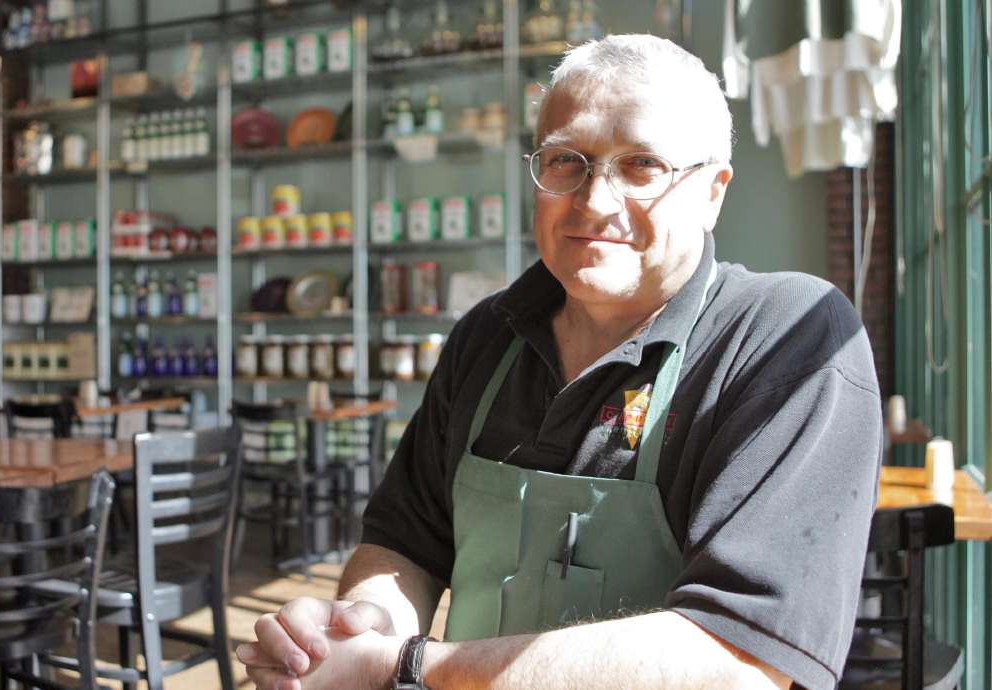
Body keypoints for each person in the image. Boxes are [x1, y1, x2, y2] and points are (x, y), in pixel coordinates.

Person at [237, 34, 881, 690]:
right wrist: (358, 625)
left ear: (713, 191)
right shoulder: (488, 337)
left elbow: (741, 662)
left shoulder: (785, 340)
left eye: (641, 166)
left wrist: (403, 667)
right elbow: (406, 542)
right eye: (566, 160)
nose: (595, 200)